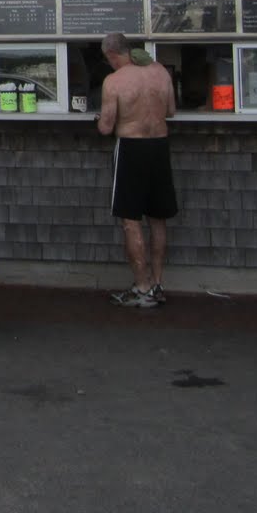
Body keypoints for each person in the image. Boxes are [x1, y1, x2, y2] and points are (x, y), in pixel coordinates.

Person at [97, 32, 178, 309]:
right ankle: (157, 283)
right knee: (158, 218)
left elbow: (106, 127)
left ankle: (141, 286)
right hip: (159, 146)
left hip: (131, 148)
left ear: (111, 54)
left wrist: (102, 119)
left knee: (131, 221)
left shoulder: (114, 81)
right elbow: (171, 111)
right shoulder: (160, 73)